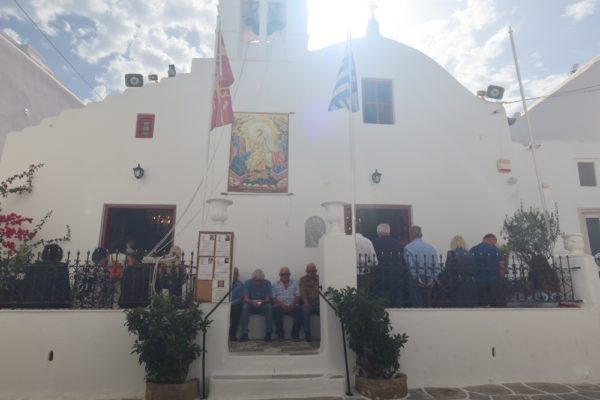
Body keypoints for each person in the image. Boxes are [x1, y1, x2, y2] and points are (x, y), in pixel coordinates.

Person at [404, 225, 438, 308]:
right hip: (429, 279)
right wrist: (432, 279)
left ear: (411, 234)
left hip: (415, 281)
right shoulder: (432, 248)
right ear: (421, 234)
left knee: (417, 305)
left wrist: (418, 279)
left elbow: (410, 266)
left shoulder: (408, 248)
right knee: (428, 304)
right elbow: (437, 267)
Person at [440, 235, 476, 307]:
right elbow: (474, 270)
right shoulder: (470, 254)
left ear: (453, 243)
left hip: (456, 284)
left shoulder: (451, 253)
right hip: (469, 284)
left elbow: (448, 271)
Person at [470, 233, 505, 307]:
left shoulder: (473, 250)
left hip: (478, 283)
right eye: (494, 242)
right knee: (494, 307)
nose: (495, 244)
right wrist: (502, 278)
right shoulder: (496, 250)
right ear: (490, 239)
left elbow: (470, 266)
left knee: (480, 306)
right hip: (494, 283)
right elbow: (501, 266)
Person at [240, 269, 273, 342]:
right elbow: (245, 298)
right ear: (253, 279)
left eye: (260, 280)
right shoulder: (248, 283)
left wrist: (261, 302)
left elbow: (268, 299)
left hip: (263, 305)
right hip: (251, 305)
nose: (258, 282)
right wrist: (252, 302)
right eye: (256, 280)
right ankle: (244, 333)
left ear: (263, 279)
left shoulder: (267, 283)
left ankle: (268, 333)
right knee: (245, 307)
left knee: (269, 307)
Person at [272, 266, 302, 341]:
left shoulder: (295, 283)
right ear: (279, 275)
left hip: (293, 305)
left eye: (287, 274)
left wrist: (292, 304)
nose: (285, 276)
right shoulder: (275, 284)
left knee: (299, 309)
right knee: (276, 310)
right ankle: (280, 334)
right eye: (283, 274)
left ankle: (295, 334)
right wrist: (282, 305)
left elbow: (298, 296)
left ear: (289, 274)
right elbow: (273, 298)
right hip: (280, 306)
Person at [299, 263, 320, 342]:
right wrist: (306, 302)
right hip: (308, 303)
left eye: (313, 271)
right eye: (309, 271)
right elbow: (302, 292)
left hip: (318, 304)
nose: (311, 272)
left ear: (316, 271)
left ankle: (326, 332)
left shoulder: (320, 279)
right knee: (304, 309)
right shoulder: (302, 279)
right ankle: (307, 333)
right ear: (306, 271)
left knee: (324, 311)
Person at [229, 267, 244, 341]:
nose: (234, 275)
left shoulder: (240, 284)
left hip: (234, 305)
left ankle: (232, 335)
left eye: (235, 273)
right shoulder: (222, 282)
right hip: (222, 304)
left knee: (237, 308)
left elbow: (240, 298)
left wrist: (230, 304)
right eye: (233, 273)